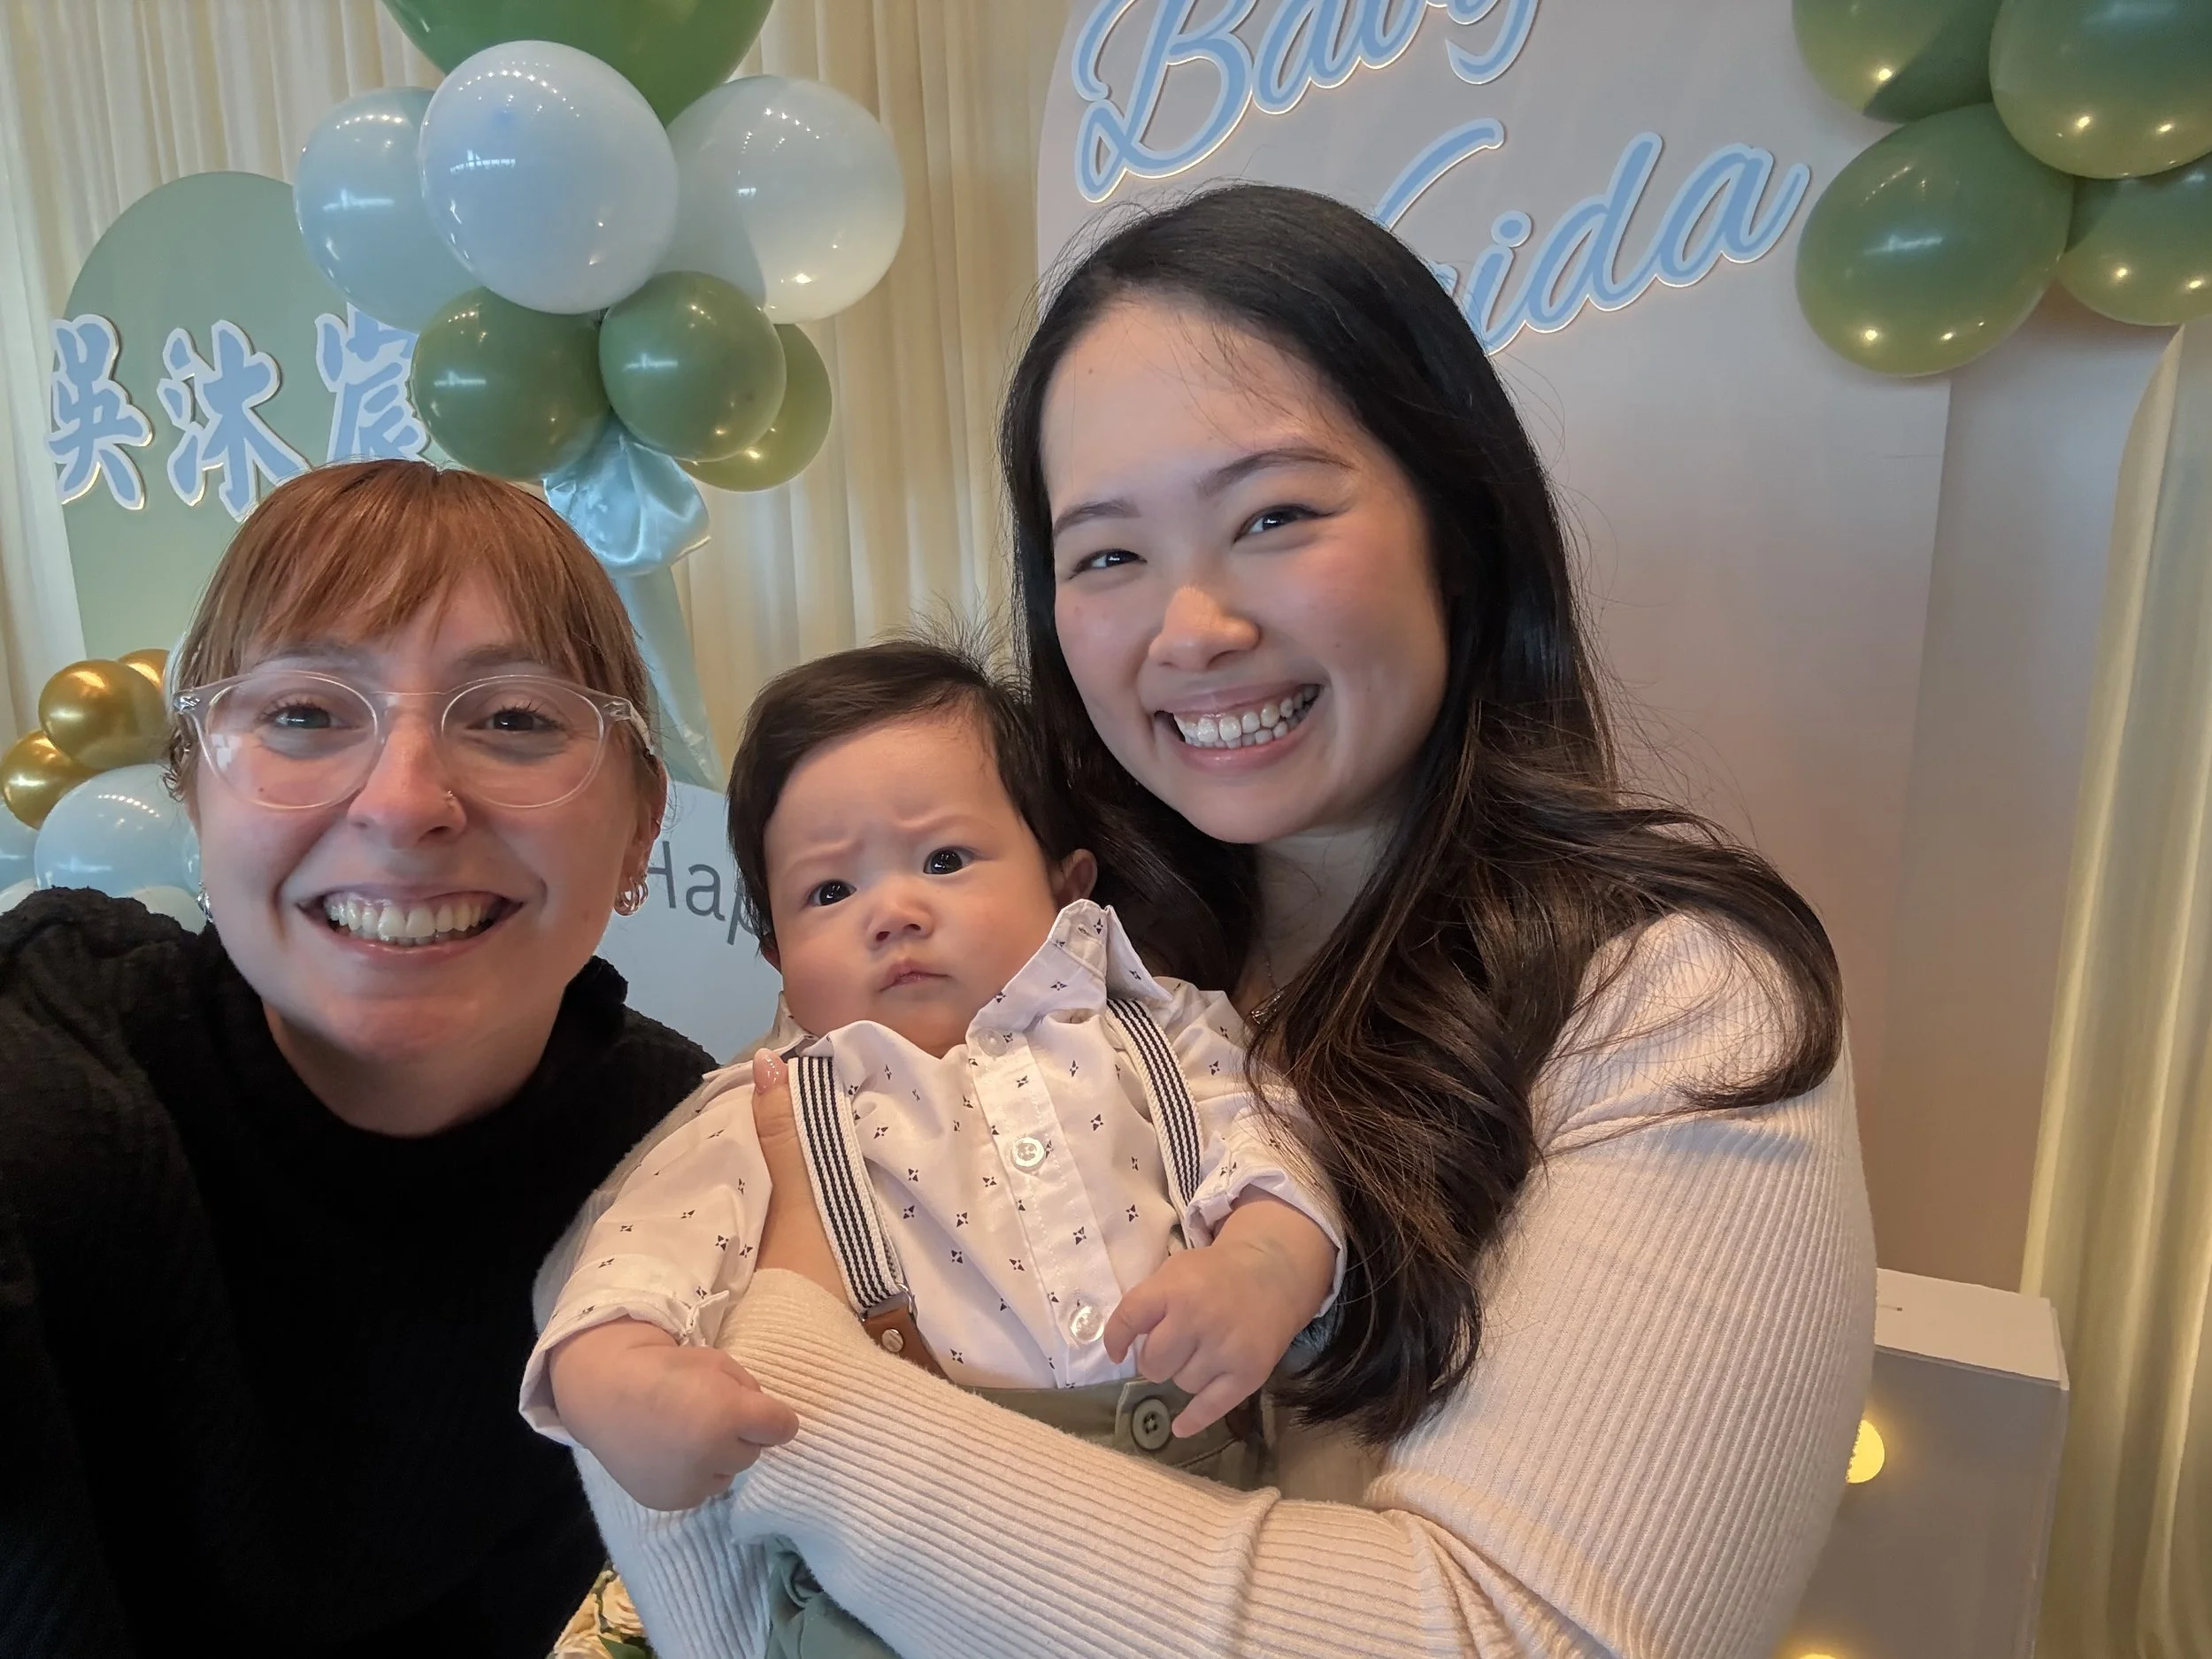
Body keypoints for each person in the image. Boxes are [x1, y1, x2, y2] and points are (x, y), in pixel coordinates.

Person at [567, 182, 1878, 1659]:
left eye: (1276, 516)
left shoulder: (1668, 1002)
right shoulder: (1033, 944)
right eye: (1109, 553)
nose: (1192, 629)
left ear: (1457, 524)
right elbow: (676, 1349)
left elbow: (1530, 1639)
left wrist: (806, 1399)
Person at [0, 460, 764, 1658]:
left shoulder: (678, 1149)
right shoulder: (61, 1068)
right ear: (193, 790)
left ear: (641, 825)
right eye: (304, 711)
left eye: (514, 718)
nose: (405, 804)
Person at [526, 640, 1343, 1653]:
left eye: (945, 861)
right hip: (881, 1592)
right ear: (778, 955)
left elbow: (1276, 1142)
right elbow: (620, 1275)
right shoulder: (765, 1109)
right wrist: (631, 1393)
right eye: (829, 893)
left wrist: (1263, 1263)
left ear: (1066, 881)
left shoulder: (1159, 1029)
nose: (892, 913)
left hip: (1191, 1515)